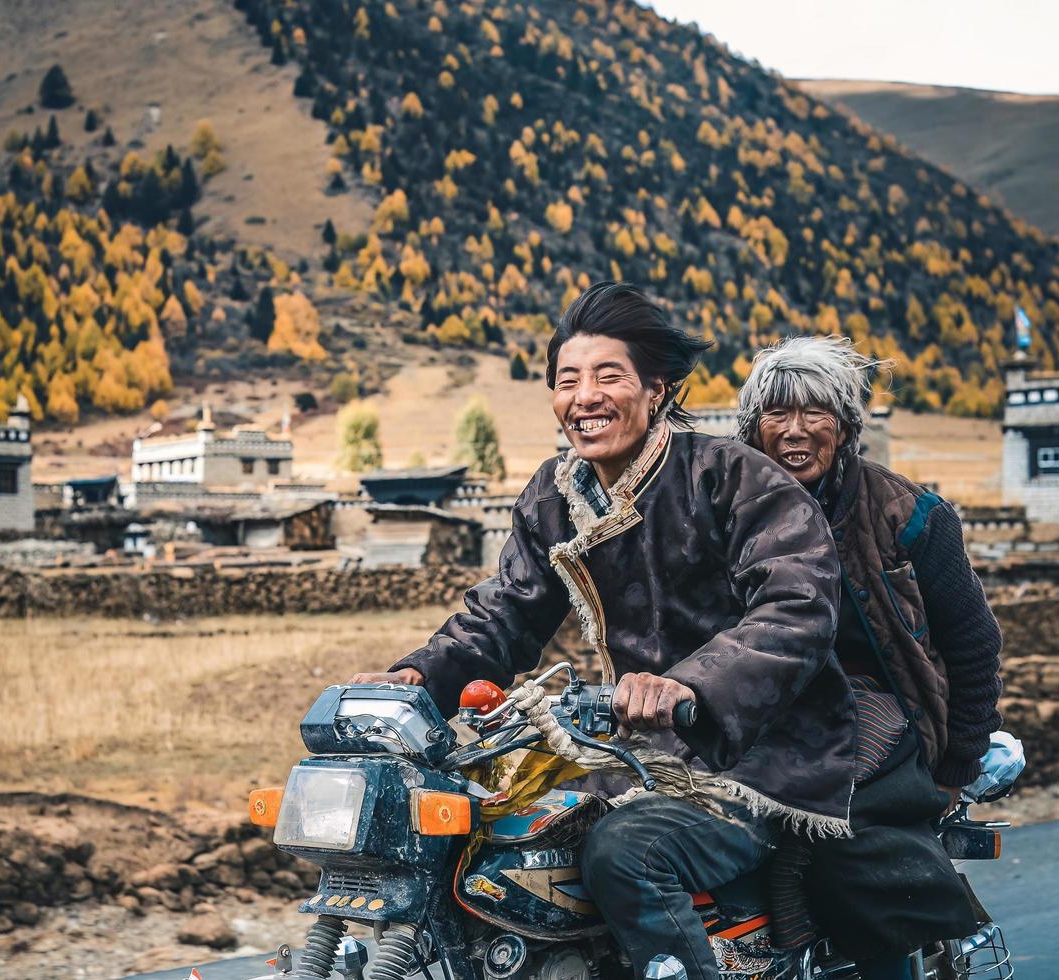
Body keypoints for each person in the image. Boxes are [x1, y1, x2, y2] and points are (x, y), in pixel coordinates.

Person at [352, 282, 857, 980]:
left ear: (656, 389)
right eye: (567, 380)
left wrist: (686, 684)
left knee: (625, 853)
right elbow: (507, 609)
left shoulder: (731, 475)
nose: (584, 395)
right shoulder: (556, 496)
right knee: (499, 843)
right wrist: (416, 679)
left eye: (607, 376)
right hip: (635, 752)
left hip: (759, 760)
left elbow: (796, 606)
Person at [736, 335, 1002, 979]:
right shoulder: (730, 513)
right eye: (776, 414)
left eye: (815, 413)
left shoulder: (908, 516)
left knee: (856, 869)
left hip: (885, 719)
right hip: (768, 721)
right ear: (752, 429)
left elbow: (972, 644)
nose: (794, 432)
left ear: (847, 426)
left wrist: (953, 768)